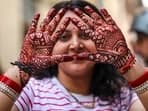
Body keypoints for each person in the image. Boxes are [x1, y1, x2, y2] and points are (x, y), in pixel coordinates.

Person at [0, 0, 147, 111]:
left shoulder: (121, 95)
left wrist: (126, 63)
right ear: (50, 47)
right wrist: (23, 69)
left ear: (102, 45)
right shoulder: (31, 93)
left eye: (85, 35)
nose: (76, 45)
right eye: (64, 37)